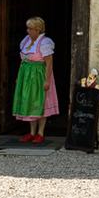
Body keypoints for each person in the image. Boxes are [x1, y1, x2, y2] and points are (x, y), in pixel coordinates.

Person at [11, 16, 59, 144]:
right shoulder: (26, 41)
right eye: (28, 28)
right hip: (26, 76)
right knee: (29, 103)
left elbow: (49, 63)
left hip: (39, 75)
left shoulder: (45, 42)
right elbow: (23, 61)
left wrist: (47, 80)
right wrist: (18, 77)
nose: (28, 31)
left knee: (40, 102)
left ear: (38, 30)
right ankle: (32, 132)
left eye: (31, 28)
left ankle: (40, 133)